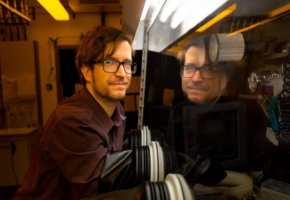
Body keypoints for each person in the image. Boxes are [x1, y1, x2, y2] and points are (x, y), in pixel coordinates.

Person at [13, 26, 137, 200]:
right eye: (109, 62)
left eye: (127, 63)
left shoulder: (117, 109)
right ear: (87, 71)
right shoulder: (73, 120)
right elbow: (100, 193)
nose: (122, 73)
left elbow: (112, 176)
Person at [165, 36, 234, 158]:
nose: (196, 78)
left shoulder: (233, 120)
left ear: (223, 80)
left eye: (208, 69)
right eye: (190, 68)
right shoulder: (178, 111)